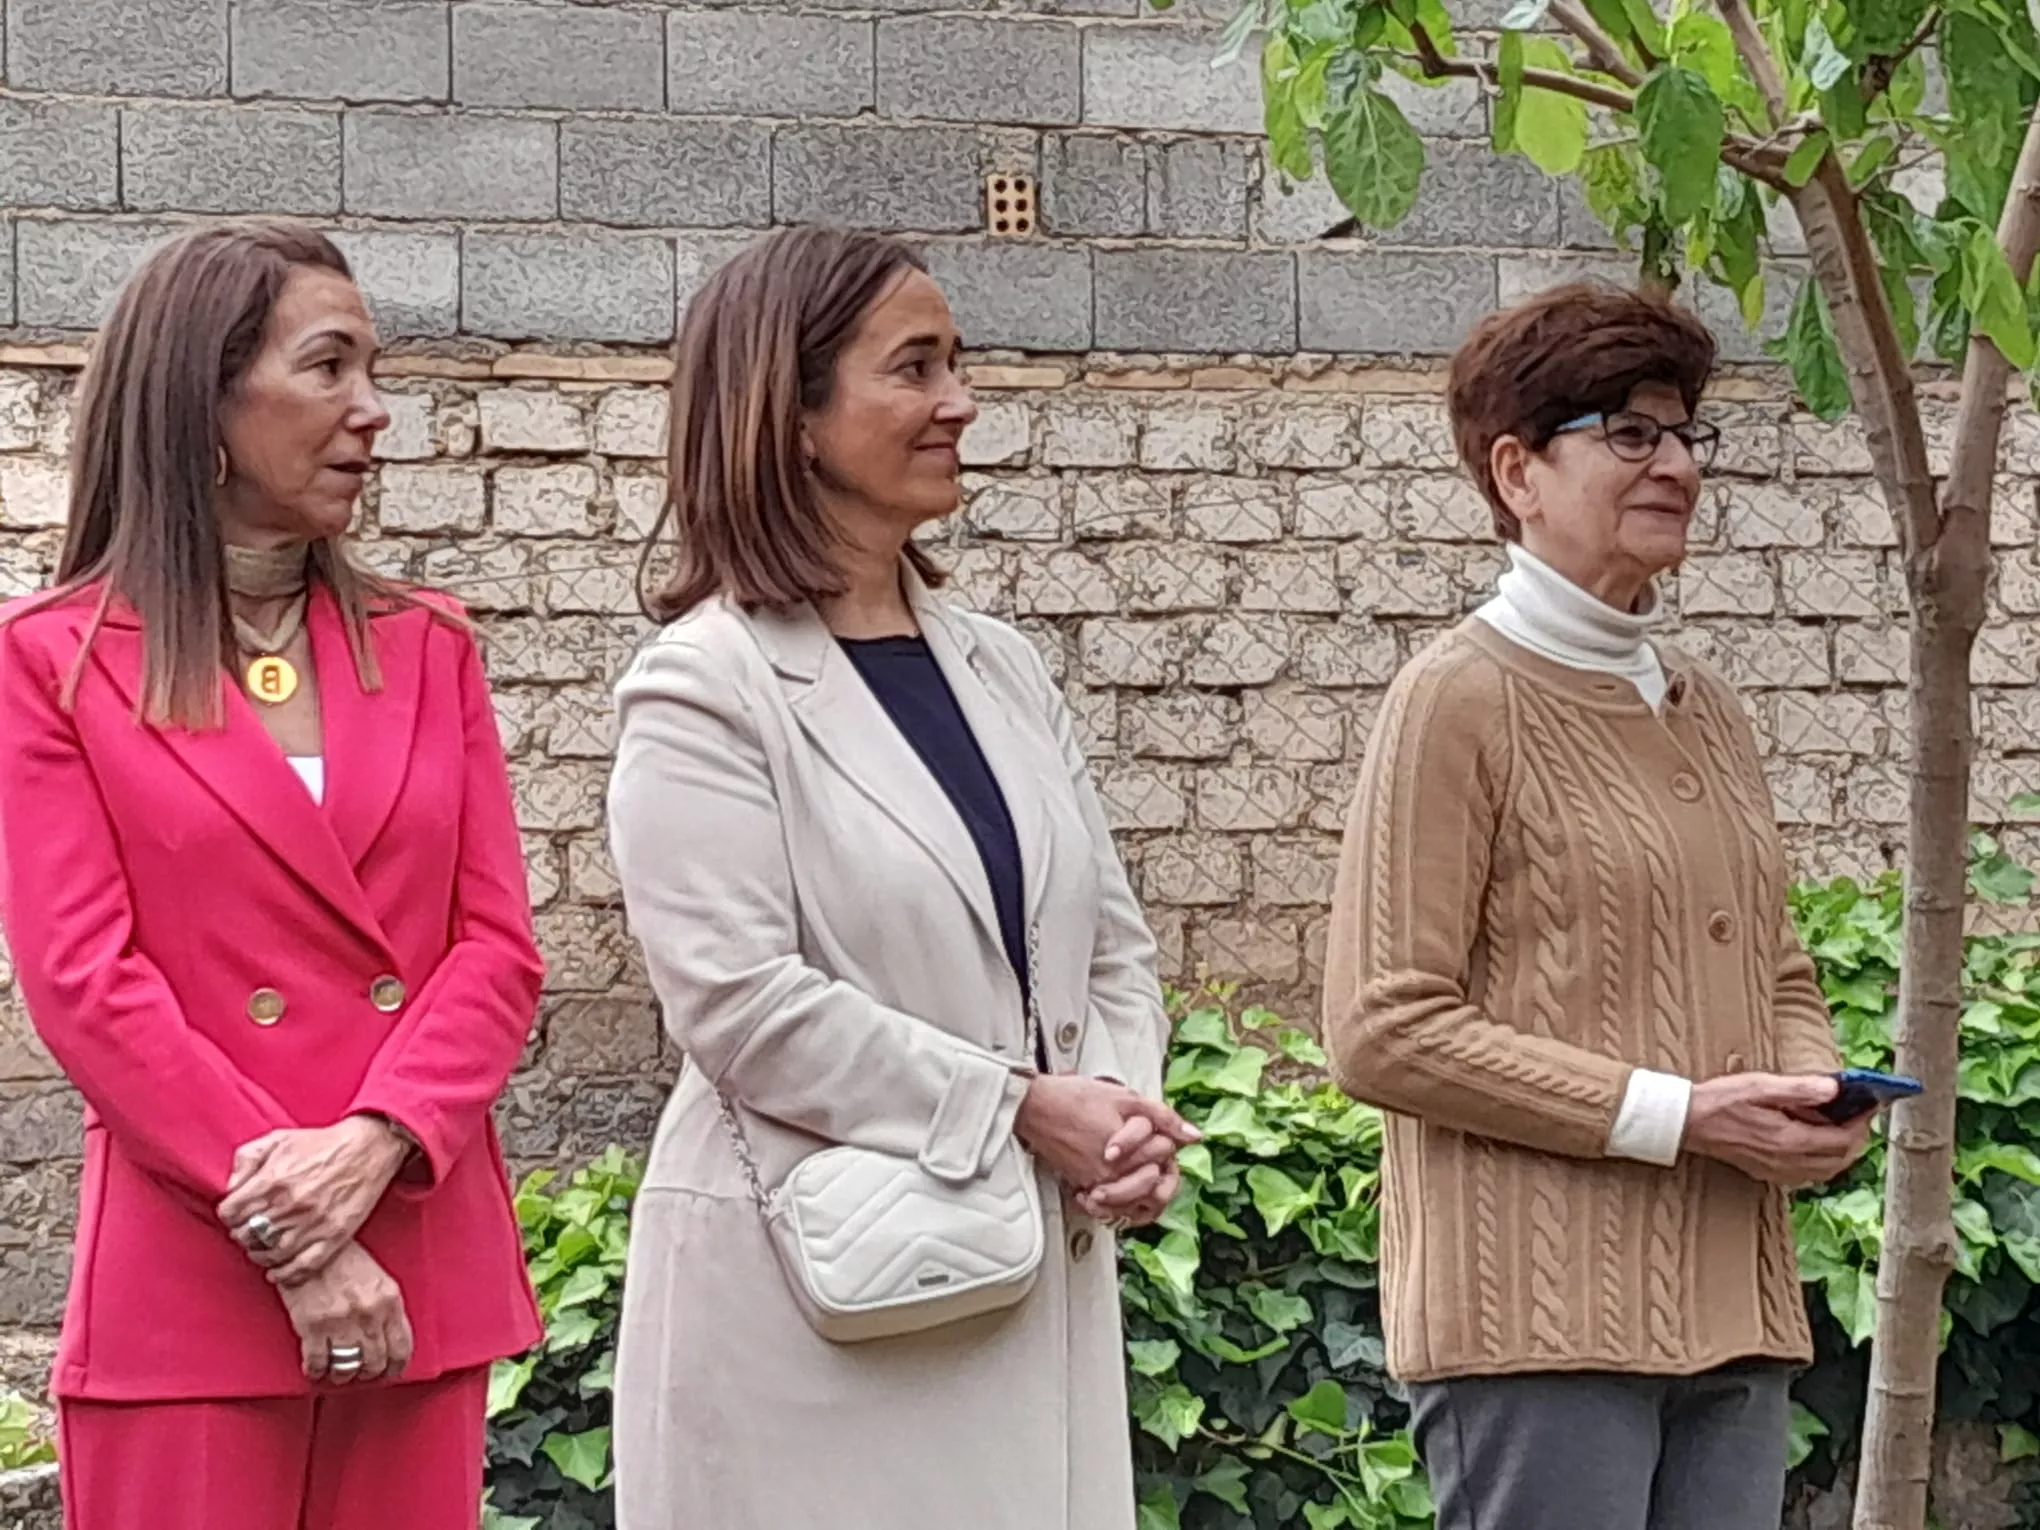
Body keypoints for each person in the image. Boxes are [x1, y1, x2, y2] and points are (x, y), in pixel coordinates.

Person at [605, 225, 1195, 1530]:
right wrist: (1023, 1108)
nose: (961, 402)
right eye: (915, 368)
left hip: (1032, 1270)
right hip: (810, 1312)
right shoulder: (706, 687)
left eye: (957, 363)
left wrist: (1123, 1112)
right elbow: (741, 1003)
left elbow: (1107, 945)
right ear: (792, 411)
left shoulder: (999, 666)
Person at [0, 220, 545, 1530]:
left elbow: (495, 948)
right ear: (207, 396)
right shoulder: (52, 659)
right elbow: (87, 982)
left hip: (413, 1244)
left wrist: (373, 1143)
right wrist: (292, 1225)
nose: (376, 411)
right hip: (195, 1278)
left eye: (373, 367)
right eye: (329, 367)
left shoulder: (429, 646)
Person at [1322, 283, 1876, 1530]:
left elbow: (1777, 966)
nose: (1676, 464)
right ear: (1516, 471)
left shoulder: (1707, 709)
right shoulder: (1453, 698)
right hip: (1535, 1328)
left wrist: (1809, 1093)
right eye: (1629, 433)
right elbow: (1380, 1025)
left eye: (1686, 434)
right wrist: (1676, 1115)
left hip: (1735, 1310)